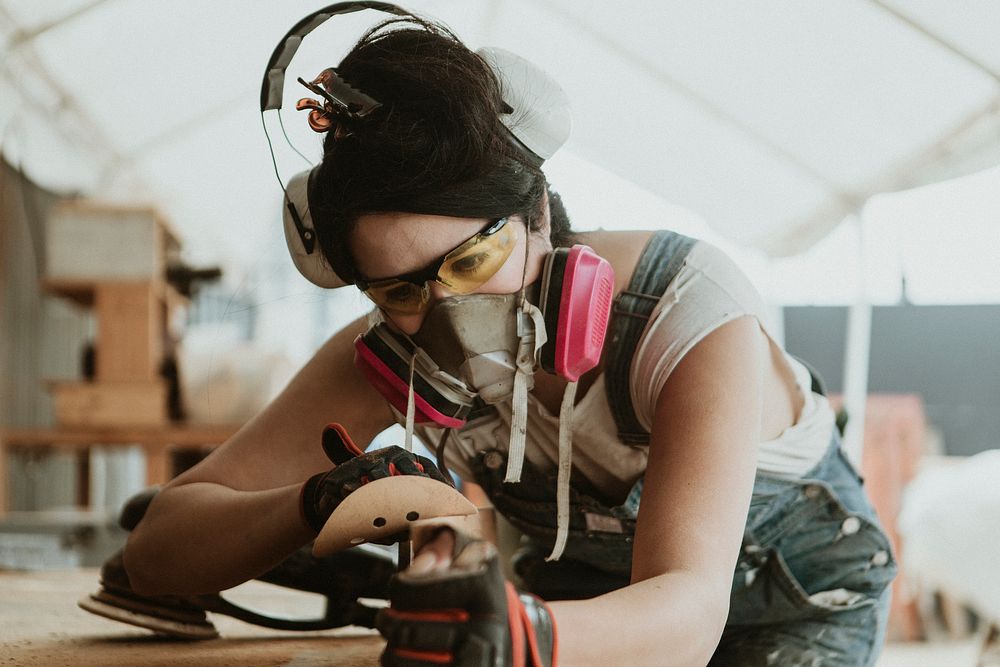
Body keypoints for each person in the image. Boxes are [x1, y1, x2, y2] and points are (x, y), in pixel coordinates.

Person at [121, 8, 897, 666]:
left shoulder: (687, 313)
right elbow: (158, 549)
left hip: (793, 604)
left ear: (537, 216)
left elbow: (690, 614)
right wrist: (314, 500)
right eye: (400, 288)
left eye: (472, 259)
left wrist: (522, 633)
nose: (446, 312)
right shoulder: (393, 352)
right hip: (585, 611)